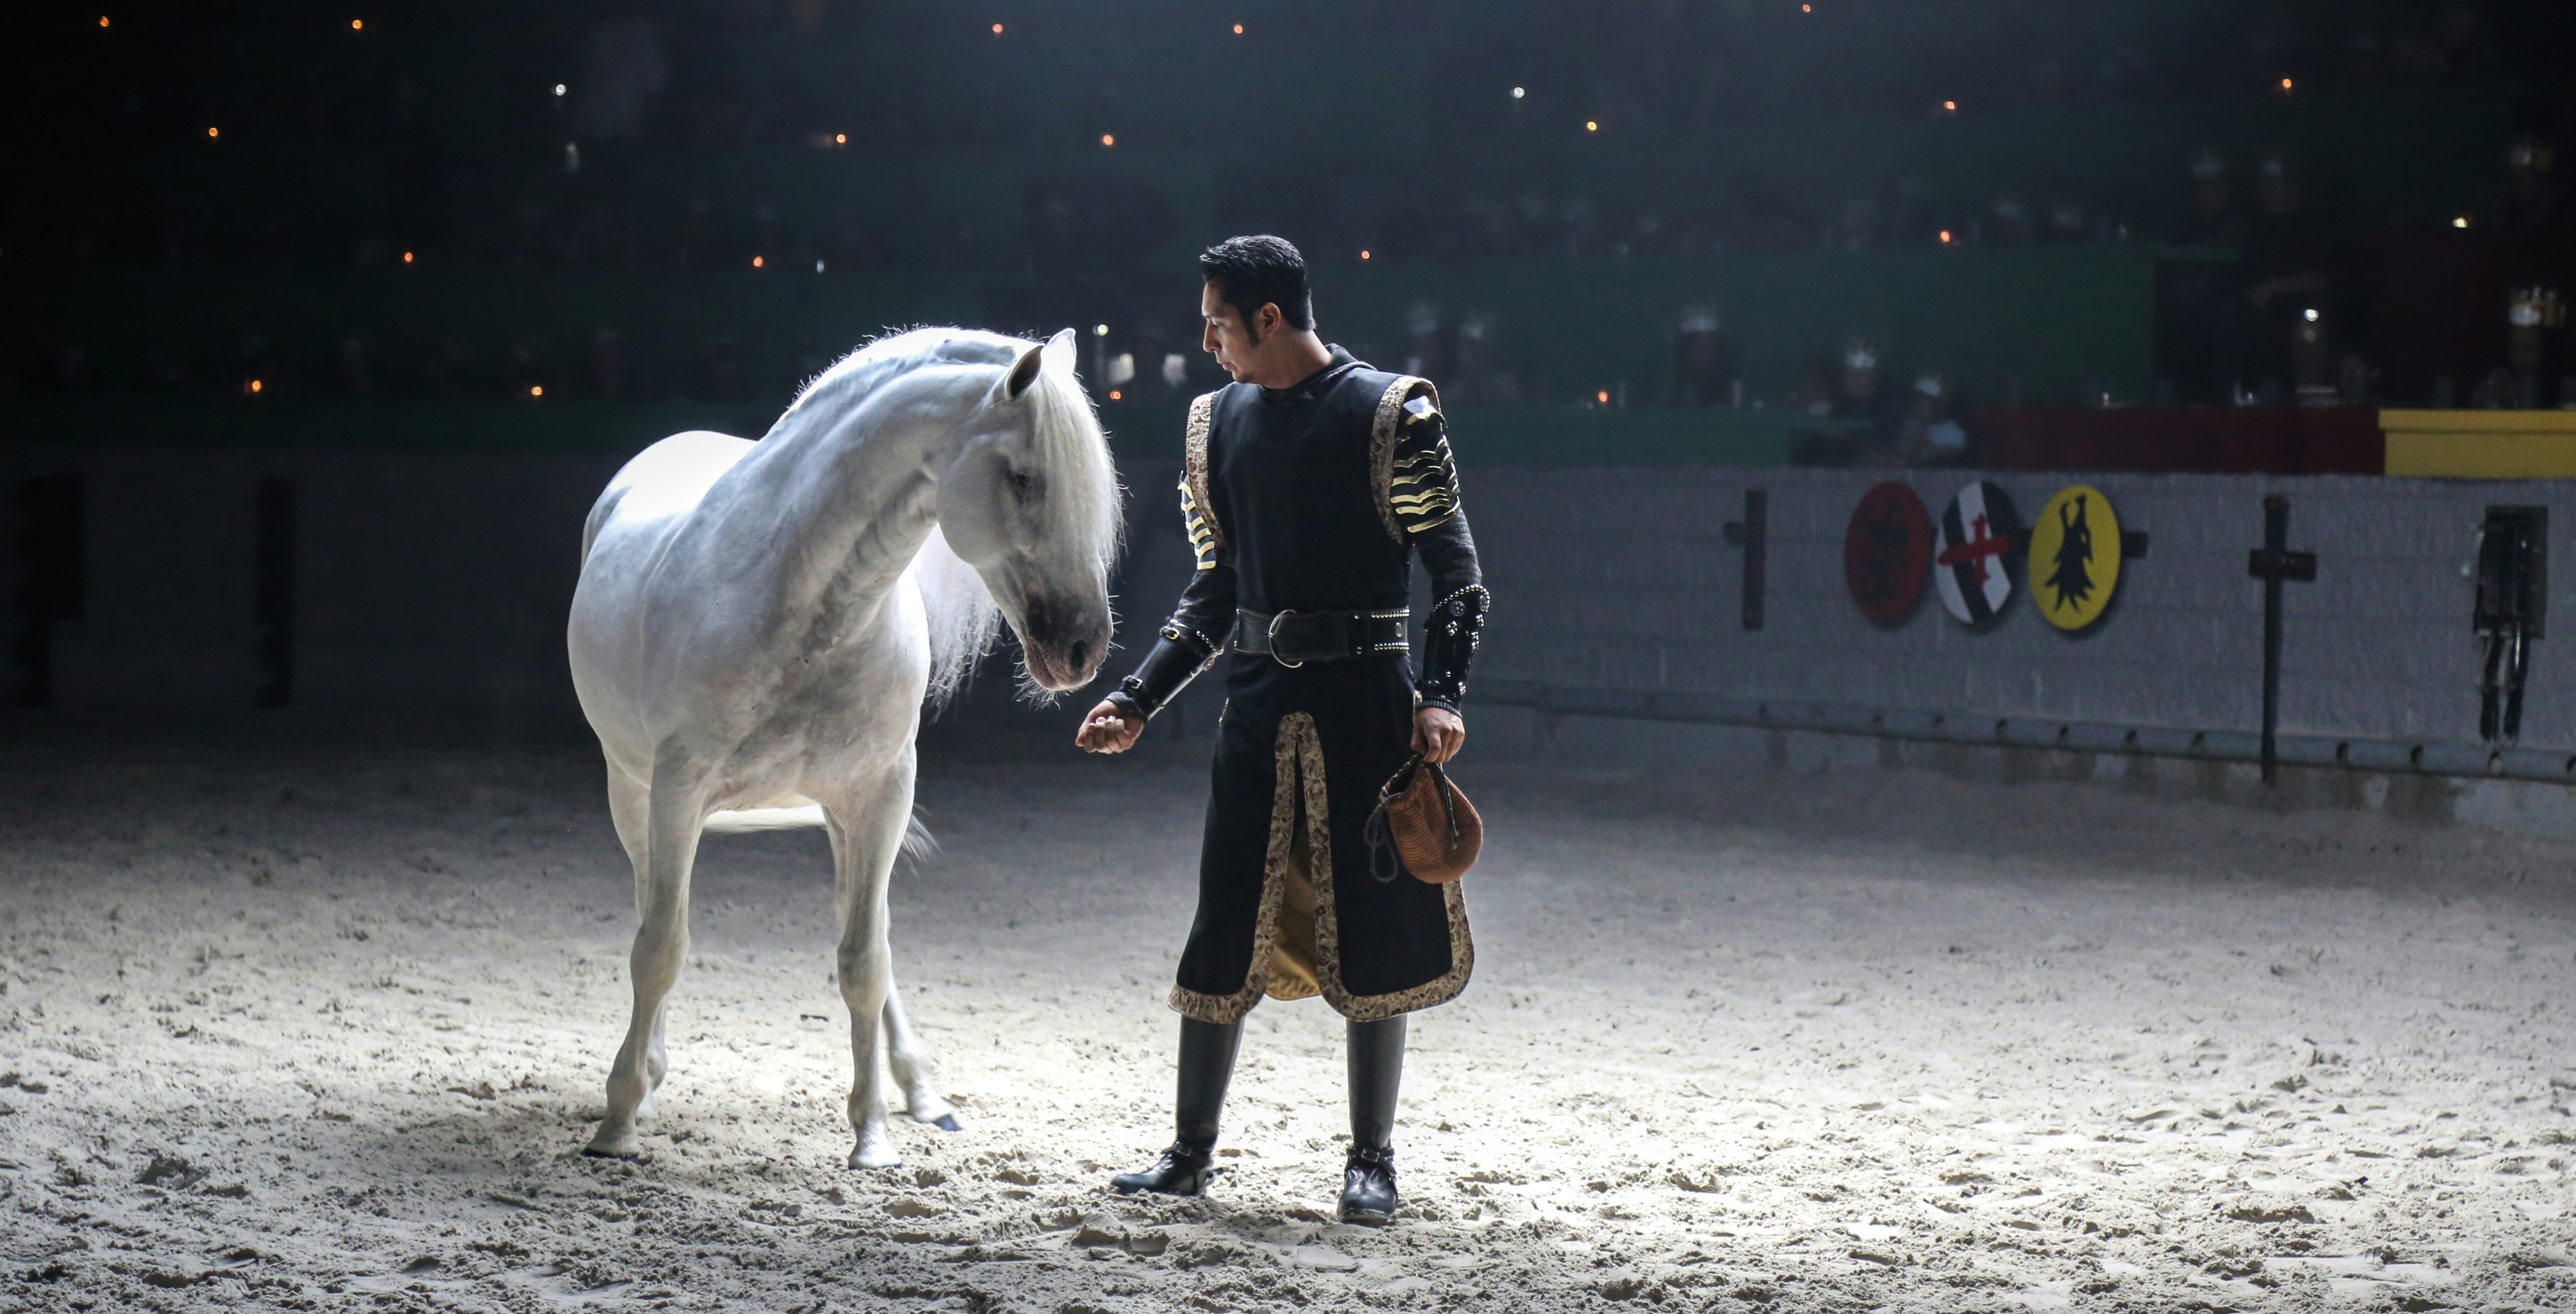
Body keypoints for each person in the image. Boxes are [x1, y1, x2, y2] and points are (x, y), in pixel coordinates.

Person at [1075, 235, 1488, 1225]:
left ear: (1268, 317)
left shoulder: (1392, 412)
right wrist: (1137, 697)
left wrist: (1440, 693)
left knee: (1375, 926)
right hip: (1257, 709)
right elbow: (1215, 591)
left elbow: (1457, 572)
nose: (1207, 342)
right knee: (1224, 918)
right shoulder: (1214, 423)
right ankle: (1188, 1154)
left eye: (1217, 322)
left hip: (1368, 707)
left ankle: (1371, 1162)